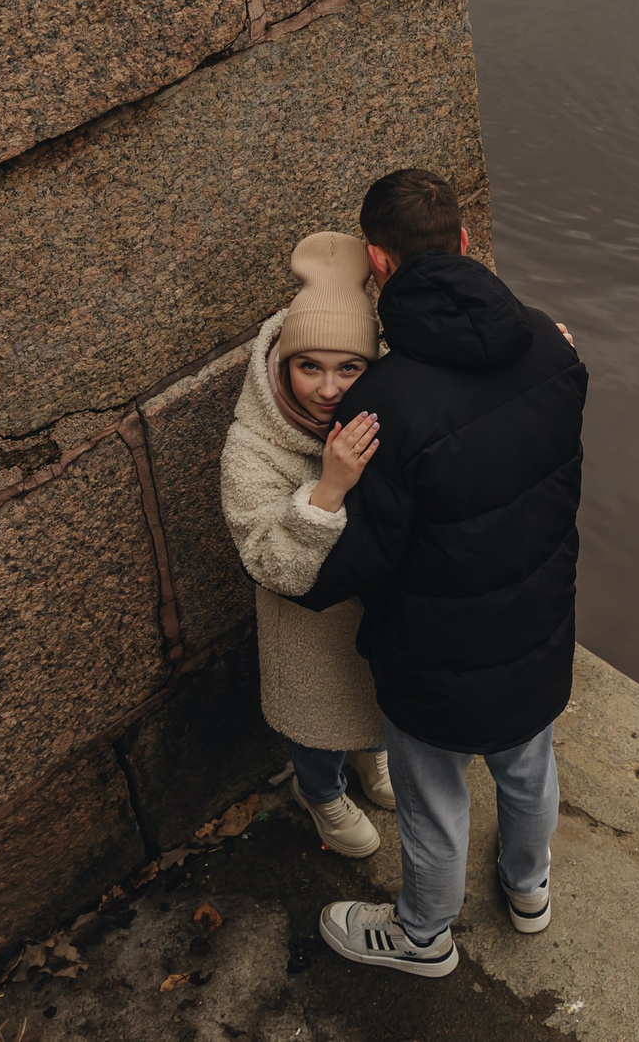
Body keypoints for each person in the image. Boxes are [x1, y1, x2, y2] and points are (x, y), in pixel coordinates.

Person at [296, 169, 588, 979]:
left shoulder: (384, 402)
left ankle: (423, 934)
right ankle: (528, 888)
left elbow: (370, 553)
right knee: (529, 768)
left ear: (377, 262)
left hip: (435, 652)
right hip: (536, 625)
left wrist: (302, 556)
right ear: (464, 242)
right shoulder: (550, 345)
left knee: (433, 799)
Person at [219, 231, 398, 860]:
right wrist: (328, 490)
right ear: (281, 365)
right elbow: (267, 563)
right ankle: (321, 794)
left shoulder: (388, 417)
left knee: (378, 700)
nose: (329, 390)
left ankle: (374, 762)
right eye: (309, 367)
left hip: (378, 615)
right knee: (318, 727)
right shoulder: (253, 448)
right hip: (307, 632)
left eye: (350, 368)